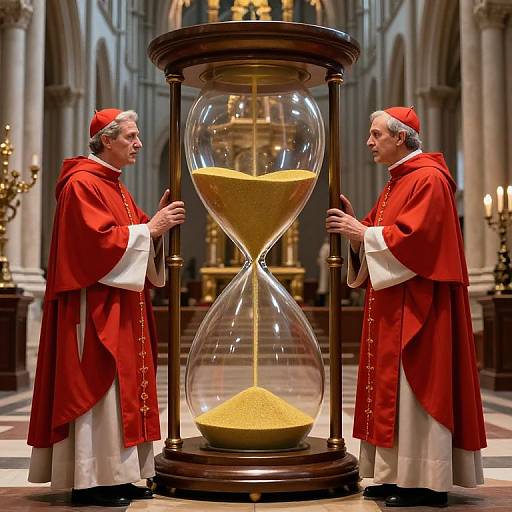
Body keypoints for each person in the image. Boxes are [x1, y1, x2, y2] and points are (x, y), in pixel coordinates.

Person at [326, 107, 486, 508]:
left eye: (375, 134)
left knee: (416, 391)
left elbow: (417, 241)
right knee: (390, 393)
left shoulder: (428, 179)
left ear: (401, 137)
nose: (369, 141)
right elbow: (382, 233)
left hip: (422, 310)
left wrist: (363, 233)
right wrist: (355, 230)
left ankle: (425, 482)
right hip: (390, 305)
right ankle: (392, 473)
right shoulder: (397, 182)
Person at [27, 108, 186, 507]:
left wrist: (154, 226)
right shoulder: (82, 184)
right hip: (94, 308)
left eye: (137, 136)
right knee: (101, 387)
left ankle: (122, 473)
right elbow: (94, 244)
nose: (139, 144)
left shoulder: (114, 185)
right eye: (131, 137)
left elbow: (127, 231)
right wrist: (150, 230)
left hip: (122, 304)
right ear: (106, 140)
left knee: (126, 391)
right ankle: (93, 479)